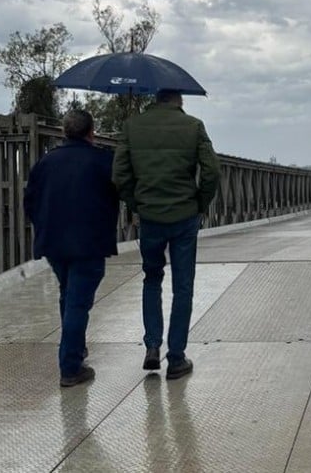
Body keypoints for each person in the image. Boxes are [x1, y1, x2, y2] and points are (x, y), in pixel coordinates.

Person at [113, 90, 220, 380]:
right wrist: (199, 203)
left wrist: (137, 204)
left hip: (150, 217)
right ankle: (176, 358)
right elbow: (211, 172)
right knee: (183, 286)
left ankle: (151, 345)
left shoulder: (132, 127)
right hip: (184, 215)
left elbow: (120, 175)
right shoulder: (194, 126)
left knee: (152, 278)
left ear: (155, 98)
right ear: (179, 100)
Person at [24, 109, 119, 387]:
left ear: (65, 132)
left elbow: (29, 201)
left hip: (53, 243)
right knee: (78, 302)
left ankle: (75, 348)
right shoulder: (102, 161)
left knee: (68, 295)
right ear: (92, 131)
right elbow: (119, 193)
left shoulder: (45, 163)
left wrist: (44, 226)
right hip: (89, 243)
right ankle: (70, 367)